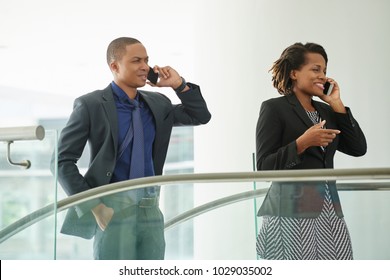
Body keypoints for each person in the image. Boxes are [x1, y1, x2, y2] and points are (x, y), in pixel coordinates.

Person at [55, 37, 211, 259]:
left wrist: (178, 84)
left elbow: (200, 116)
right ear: (115, 66)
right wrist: (95, 206)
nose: (145, 67)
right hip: (112, 207)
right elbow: (62, 161)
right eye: (136, 60)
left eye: (146, 60)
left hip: (151, 208)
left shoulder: (158, 104)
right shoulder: (90, 105)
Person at [255, 42, 367, 260]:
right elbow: (263, 168)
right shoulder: (274, 108)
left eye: (324, 70)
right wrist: (302, 143)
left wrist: (337, 103)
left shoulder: (328, 111)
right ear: (294, 73)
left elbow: (358, 148)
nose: (322, 76)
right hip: (290, 212)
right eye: (315, 69)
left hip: (329, 210)